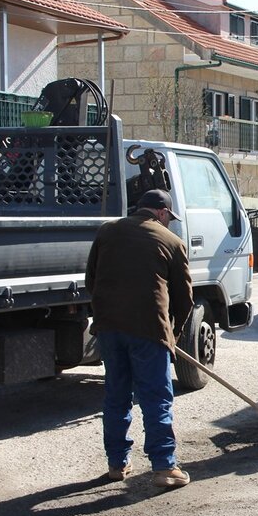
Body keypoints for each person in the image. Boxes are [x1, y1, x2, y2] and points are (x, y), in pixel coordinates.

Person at [85, 189, 194, 488]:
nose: (169, 223)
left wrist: (107, 314)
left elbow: (91, 280)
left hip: (109, 329)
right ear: (160, 213)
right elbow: (185, 299)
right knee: (156, 398)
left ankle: (117, 464)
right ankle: (164, 467)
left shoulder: (107, 231)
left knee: (116, 397)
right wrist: (174, 333)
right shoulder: (172, 242)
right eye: (168, 218)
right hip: (149, 331)